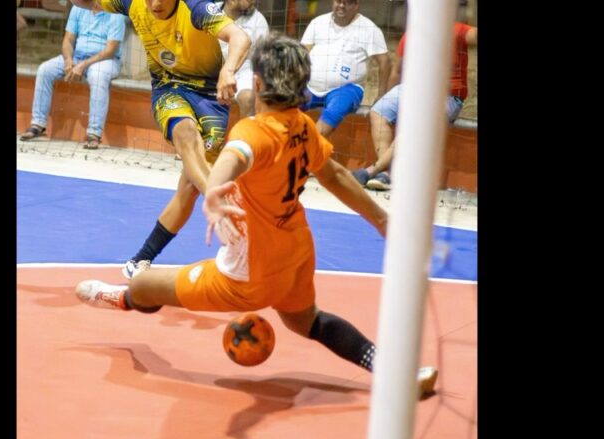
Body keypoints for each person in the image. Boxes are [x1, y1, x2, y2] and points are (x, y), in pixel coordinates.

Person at [75, 34, 438, 394]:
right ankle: (398, 373)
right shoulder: (303, 126)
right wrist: (381, 219)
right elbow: (337, 175)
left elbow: (234, 156)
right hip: (296, 255)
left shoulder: (253, 130)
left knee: (141, 284)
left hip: (247, 275)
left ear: (259, 83)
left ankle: (122, 298)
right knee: (308, 322)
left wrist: (214, 192)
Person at [70, 0, 252, 278]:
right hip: (169, 87)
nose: (155, 4)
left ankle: (141, 258)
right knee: (184, 135)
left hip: (211, 95)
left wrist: (228, 70)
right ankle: (226, 208)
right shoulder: (132, 1)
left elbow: (240, 36)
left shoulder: (195, 7)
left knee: (189, 187)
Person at [354, 23, 477, 191]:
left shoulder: (454, 28)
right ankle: (389, 173)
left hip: (447, 96)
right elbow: (397, 71)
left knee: (415, 121)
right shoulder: (411, 34)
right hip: (413, 89)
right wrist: (387, 97)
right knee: (379, 111)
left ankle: (373, 170)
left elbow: (474, 35)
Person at [20, 0, 126, 149]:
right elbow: (68, 40)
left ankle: (94, 133)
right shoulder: (79, 7)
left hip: (105, 60)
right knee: (45, 69)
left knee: (98, 76)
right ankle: (38, 123)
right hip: (77, 56)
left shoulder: (116, 13)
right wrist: (69, 60)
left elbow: (110, 50)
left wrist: (84, 64)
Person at [300, 0, 389, 137]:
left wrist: (381, 95)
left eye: (347, 2)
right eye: (338, 1)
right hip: (310, 86)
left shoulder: (369, 28)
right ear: (333, 1)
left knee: (335, 109)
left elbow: (385, 62)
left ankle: (310, 146)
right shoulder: (318, 22)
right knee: (284, 104)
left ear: (356, 5)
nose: (341, 5)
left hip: (347, 88)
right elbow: (301, 53)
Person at [218, 0, 270, 118]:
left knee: (247, 98)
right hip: (212, 66)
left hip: (244, 69)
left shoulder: (258, 20)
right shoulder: (211, 12)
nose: (253, 0)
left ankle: (244, 137)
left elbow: (263, 56)